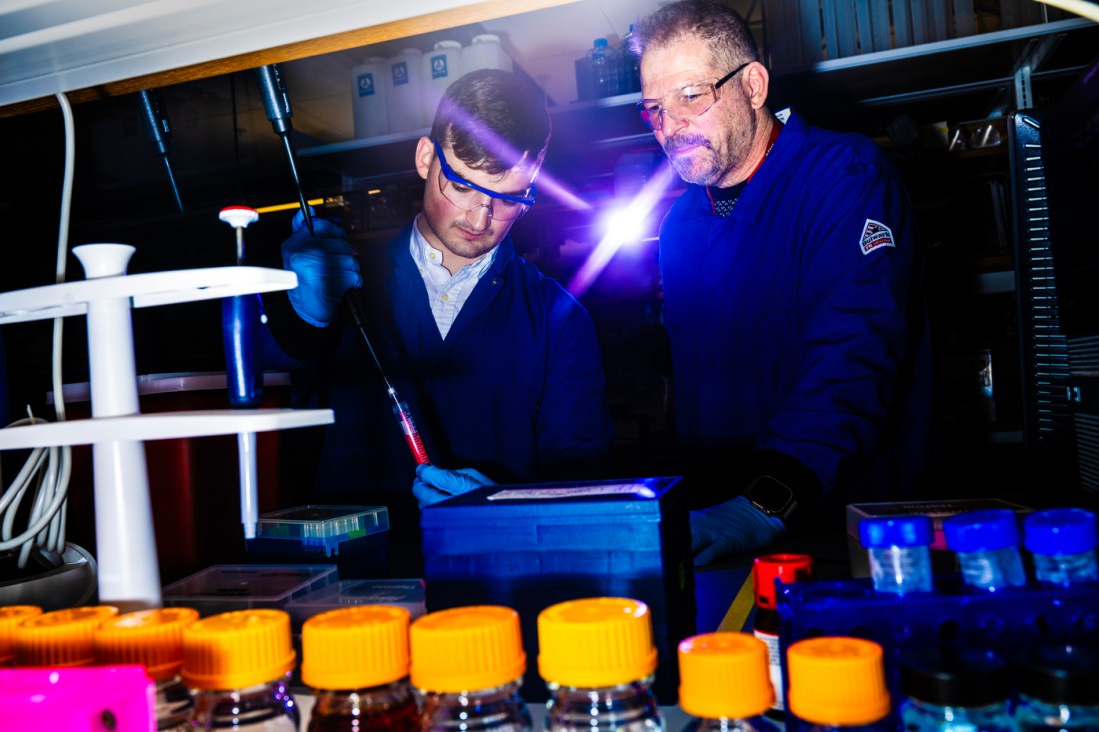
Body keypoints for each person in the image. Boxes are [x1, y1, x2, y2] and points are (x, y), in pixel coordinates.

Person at [628, 0, 934, 565]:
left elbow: (853, 362)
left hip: (843, 529)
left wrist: (765, 501)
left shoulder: (844, 177)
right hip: (723, 531)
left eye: (691, 96)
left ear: (753, 85)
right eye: (654, 109)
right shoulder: (678, 229)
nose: (670, 127)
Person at [262, 69, 613, 550]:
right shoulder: (345, 285)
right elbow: (265, 399)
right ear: (427, 158)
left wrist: (504, 509)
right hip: (350, 588)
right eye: (463, 187)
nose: (479, 218)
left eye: (508, 199)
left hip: (493, 582)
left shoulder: (559, 321)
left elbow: (582, 482)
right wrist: (302, 320)